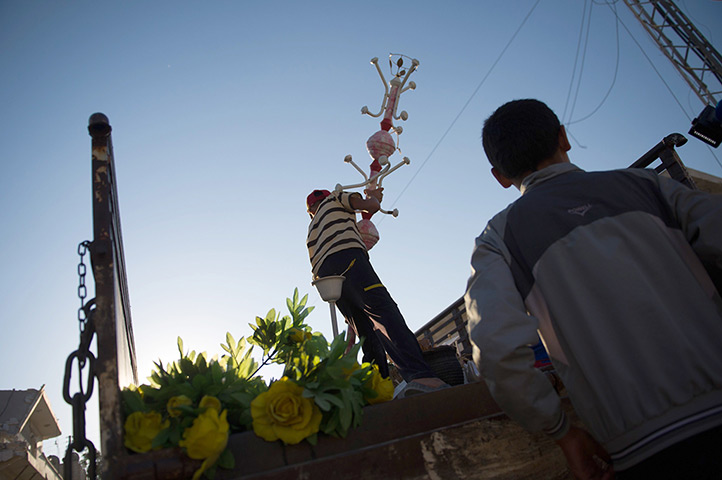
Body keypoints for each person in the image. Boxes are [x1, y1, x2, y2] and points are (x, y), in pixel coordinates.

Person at [464, 98, 722, 479]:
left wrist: (561, 431)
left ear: (500, 176)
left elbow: (497, 350)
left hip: (639, 447)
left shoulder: (498, 239)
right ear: (563, 138)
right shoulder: (648, 186)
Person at [306, 187, 447, 396]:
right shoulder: (336, 197)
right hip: (349, 259)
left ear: (310, 211)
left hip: (326, 279)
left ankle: (375, 390)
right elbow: (370, 206)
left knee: (366, 333)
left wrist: (371, 201)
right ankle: (420, 376)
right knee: (383, 312)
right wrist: (372, 198)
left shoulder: (312, 227)